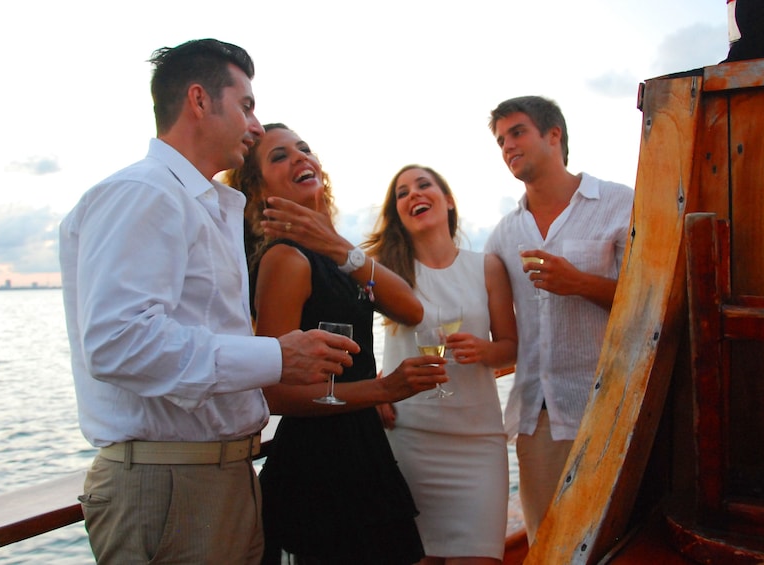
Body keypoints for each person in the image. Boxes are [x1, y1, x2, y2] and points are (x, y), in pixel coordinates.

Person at [59, 40, 358, 564]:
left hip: (219, 477)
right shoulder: (144, 192)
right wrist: (279, 355)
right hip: (168, 486)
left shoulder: (204, 206)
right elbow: (118, 343)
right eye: (246, 105)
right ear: (199, 100)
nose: (258, 126)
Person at [223, 123, 448, 565]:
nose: (300, 158)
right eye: (280, 156)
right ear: (257, 188)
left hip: (363, 450)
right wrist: (383, 390)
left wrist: (336, 244)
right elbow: (275, 391)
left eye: (304, 149)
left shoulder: (334, 257)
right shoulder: (285, 260)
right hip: (317, 466)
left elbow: (410, 308)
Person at [483, 95, 634, 543]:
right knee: (547, 544)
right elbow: (487, 323)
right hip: (538, 419)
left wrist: (580, 282)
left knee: (617, 542)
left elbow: (654, 303)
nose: (507, 145)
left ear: (554, 135)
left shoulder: (619, 204)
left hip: (612, 408)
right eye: (500, 140)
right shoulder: (502, 236)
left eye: (517, 132)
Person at [365, 164, 518, 565]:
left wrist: (485, 352)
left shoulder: (486, 267)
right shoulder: (384, 272)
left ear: (447, 200)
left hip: (478, 441)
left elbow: (510, 347)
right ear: (397, 213)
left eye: (423, 185)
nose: (413, 194)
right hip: (409, 439)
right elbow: (352, 343)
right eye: (401, 192)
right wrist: (373, 388)